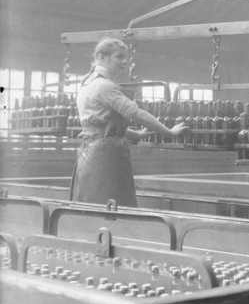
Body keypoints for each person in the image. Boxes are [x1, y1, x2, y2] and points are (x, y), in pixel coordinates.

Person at [70, 37, 188, 207]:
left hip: (90, 153)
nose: (124, 61)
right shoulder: (105, 86)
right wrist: (169, 132)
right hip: (106, 156)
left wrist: (137, 134)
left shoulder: (87, 84)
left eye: (125, 57)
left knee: (93, 204)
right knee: (114, 207)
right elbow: (137, 114)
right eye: (119, 57)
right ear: (102, 57)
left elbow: (103, 126)